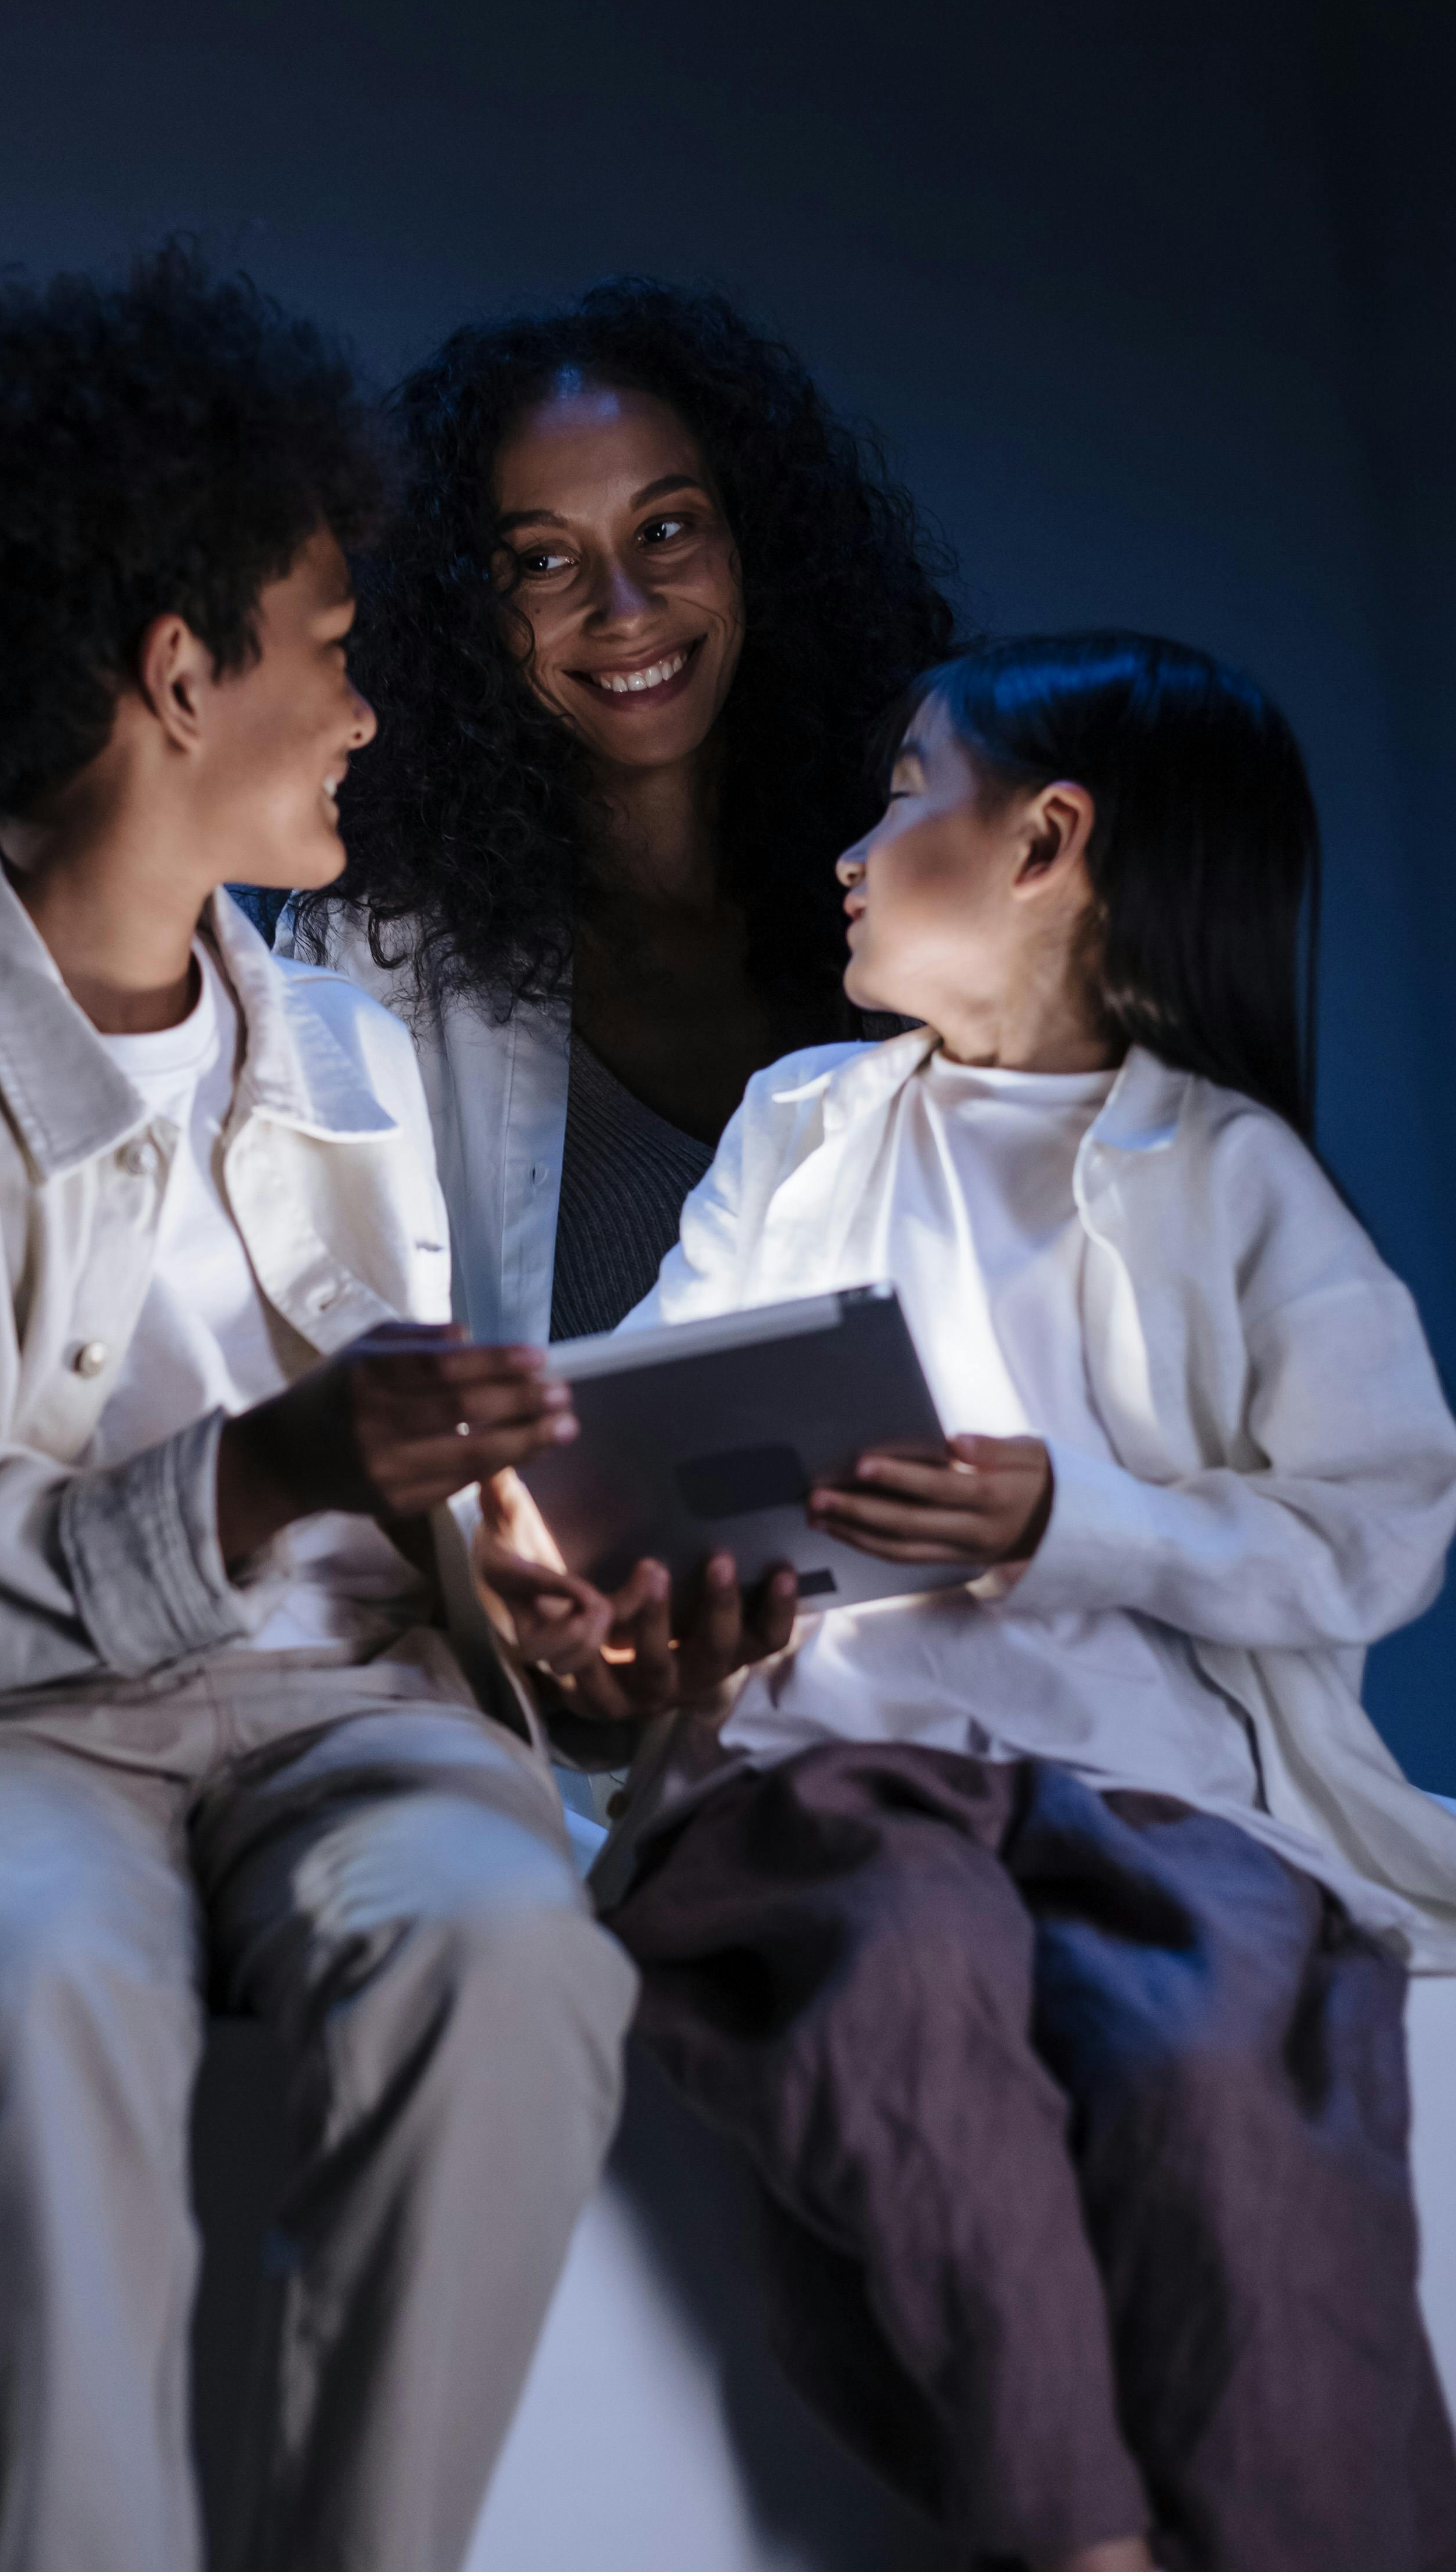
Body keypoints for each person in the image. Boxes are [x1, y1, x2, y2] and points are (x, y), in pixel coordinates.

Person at [0, 246, 724, 2572]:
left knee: (507, 1940)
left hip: (336, 1720)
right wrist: (268, 1465)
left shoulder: (345, 1057)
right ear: (180, 676)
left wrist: (563, 1653)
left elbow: (423, 1548)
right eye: (330, 643)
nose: (374, 707)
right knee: (1, 1975)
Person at [592, 634, 1456, 2572]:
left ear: (1048, 838)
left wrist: (1076, 1515)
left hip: (1150, 1782)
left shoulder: (1234, 1176)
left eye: (907, 785)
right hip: (834, 1756)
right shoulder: (802, 1125)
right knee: (894, 1991)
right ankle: (1077, 2535)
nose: (853, 841)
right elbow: (657, 1395)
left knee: (1216, 2071)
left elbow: (1379, 1521)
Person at [284, 276, 954, 1345]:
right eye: (542, 561)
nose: (626, 610)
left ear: (752, 546)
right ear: (465, 613)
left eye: (667, 528)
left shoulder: (935, 877)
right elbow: (345, 1393)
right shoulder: (373, 962)